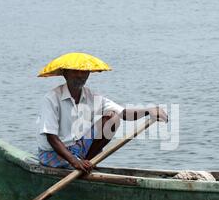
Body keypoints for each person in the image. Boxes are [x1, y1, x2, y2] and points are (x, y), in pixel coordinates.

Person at [36, 53, 168, 173]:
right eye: (75, 71)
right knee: (68, 159)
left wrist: (149, 110)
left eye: (84, 72)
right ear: (65, 74)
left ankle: (87, 162)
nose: (80, 75)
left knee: (113, 118)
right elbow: (51, 138)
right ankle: (79, 165)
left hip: (77, 149)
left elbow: (124, 113)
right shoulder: (51, 99)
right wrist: (74, 161)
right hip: (52, 153)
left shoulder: (91, 96)